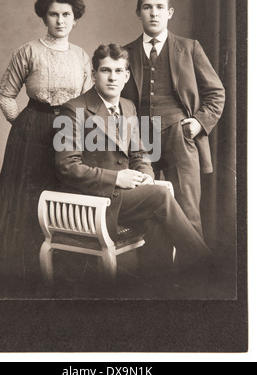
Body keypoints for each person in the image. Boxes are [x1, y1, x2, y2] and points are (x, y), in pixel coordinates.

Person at [54, 43, 212, 293]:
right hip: (92, 201)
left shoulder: (128, 106)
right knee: (161, 196)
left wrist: (145, 177)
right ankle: (207, 267)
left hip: (123, 198)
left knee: (157, 210)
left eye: (119, 71)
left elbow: (140, 154)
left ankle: (157, 288)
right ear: (94, 75)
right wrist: (117, 178)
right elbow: (66, 166)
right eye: (106, 71)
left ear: (127, 76)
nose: (113, 77)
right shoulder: (73, 109)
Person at [0, 0, 93, 298]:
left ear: (75, 20)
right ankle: (21, 274)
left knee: (64, 197)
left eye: (66, 14)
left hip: (68, 129)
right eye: (54, 14)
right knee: (27, 199)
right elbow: (5, 93)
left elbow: (85, 101)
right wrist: (21, 125)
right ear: (44, 16)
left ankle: (62, 273)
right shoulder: (27, 51)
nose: (60, 20)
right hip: (32, 129)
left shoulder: (82, 56)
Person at [122, 0, 225, 240]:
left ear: (170, 13)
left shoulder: (189, 48)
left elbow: (216, 92)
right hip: (141, 143)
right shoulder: (126, 53)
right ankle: (154, 277)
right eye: (147, 7)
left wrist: (198, 123)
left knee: (188, 210)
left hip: (180, 137)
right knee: (148, 211)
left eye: (159, 7)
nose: (153, 13)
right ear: (138, 13)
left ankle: (193, 276)